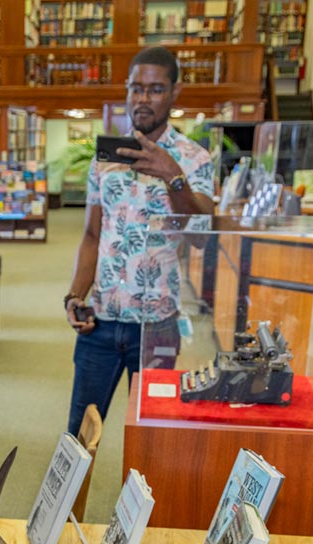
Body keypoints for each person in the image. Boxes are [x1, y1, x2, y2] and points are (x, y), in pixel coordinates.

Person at [62, 46, 216, 435]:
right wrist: (75, 295)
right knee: (79, 434)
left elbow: (200, 237)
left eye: (155, 89)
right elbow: (92, 235)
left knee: (151, 436)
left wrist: (173, 176)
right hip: (100, 321)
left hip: (157, 326)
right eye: (136, 89)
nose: (143, 99)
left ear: (174, 92)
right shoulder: (106, 157)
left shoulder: (194, 159)